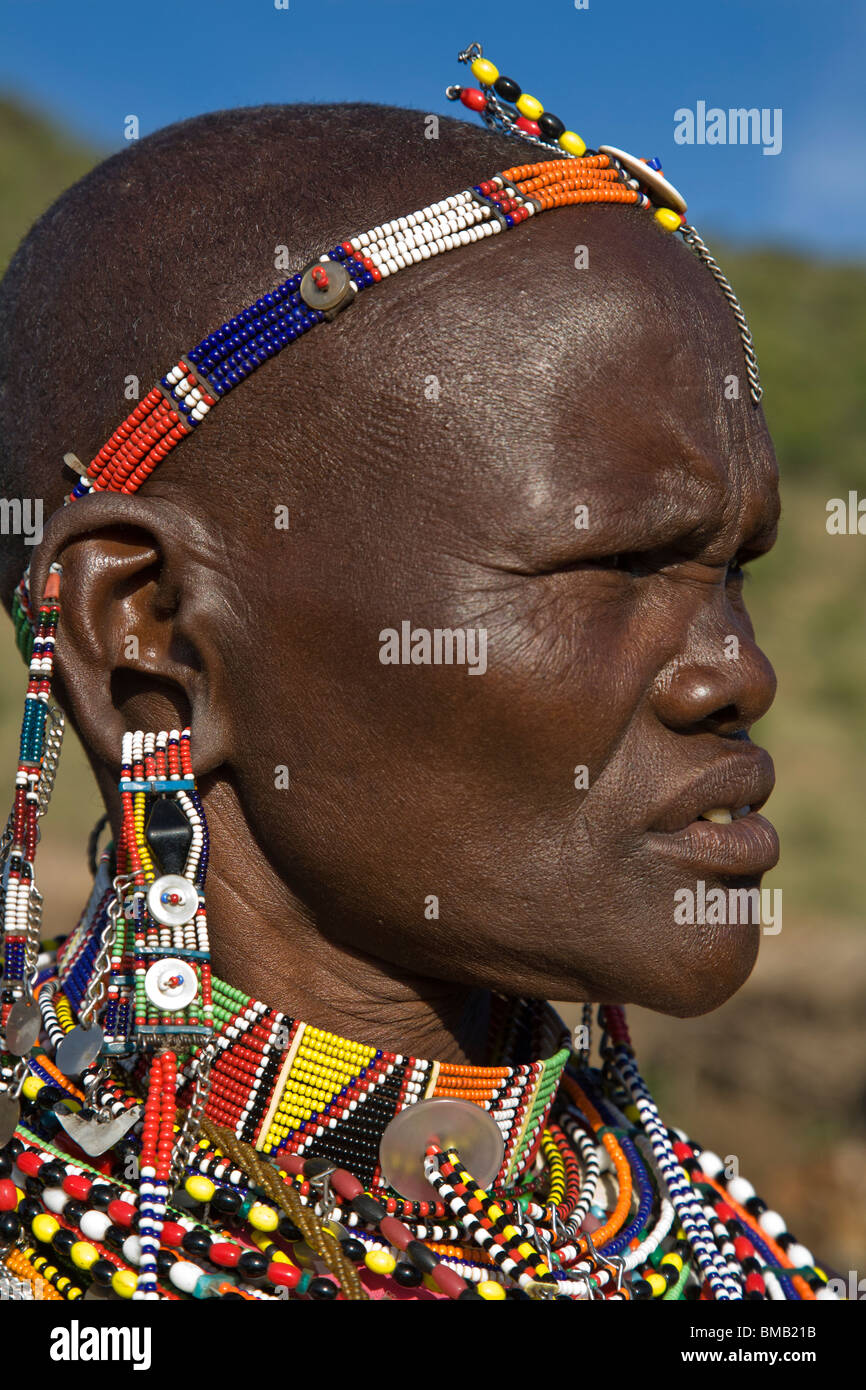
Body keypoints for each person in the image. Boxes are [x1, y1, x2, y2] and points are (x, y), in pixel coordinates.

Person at [0, 53, 832, 1302]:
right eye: (611, 562)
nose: (736, 673)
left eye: (733, 569)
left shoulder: (733, 1266)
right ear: (153, 634)